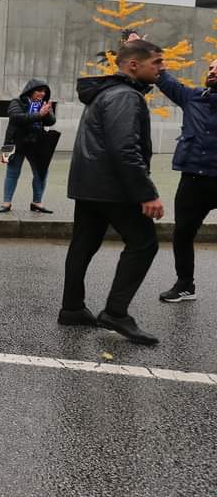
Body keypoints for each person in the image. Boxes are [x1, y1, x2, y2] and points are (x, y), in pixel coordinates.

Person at [60, 38, 165, 345]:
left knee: (84, 243)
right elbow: (124, 149)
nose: (162, 68)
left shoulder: (106, 93)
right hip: (113, 187)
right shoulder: (125, 96)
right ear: (134, 64)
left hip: (90, 184)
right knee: (144, 243)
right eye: (156, 62)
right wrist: (147, 192)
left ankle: (72, 308)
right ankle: (116, 313)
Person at [150, 45, 217, 303]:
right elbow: (163, 78)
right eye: (210, 67)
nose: (211, 71)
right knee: (183, 233)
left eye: (216, 69)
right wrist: (144, 52)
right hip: (193, 180)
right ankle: (185, 284)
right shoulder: (193, 98)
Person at [0, 79, 57, 214]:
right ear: (30, 91)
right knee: (12, 173)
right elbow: (16, 117)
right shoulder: (17, 102)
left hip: (37, 144)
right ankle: (6, 203)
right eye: (39, 90)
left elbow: (51, 121)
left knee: (41, 173)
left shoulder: (44, 105)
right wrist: (39, 115)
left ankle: (37, 203)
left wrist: (46, 113)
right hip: (15, 142)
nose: (42, 94)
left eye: (44, 91)